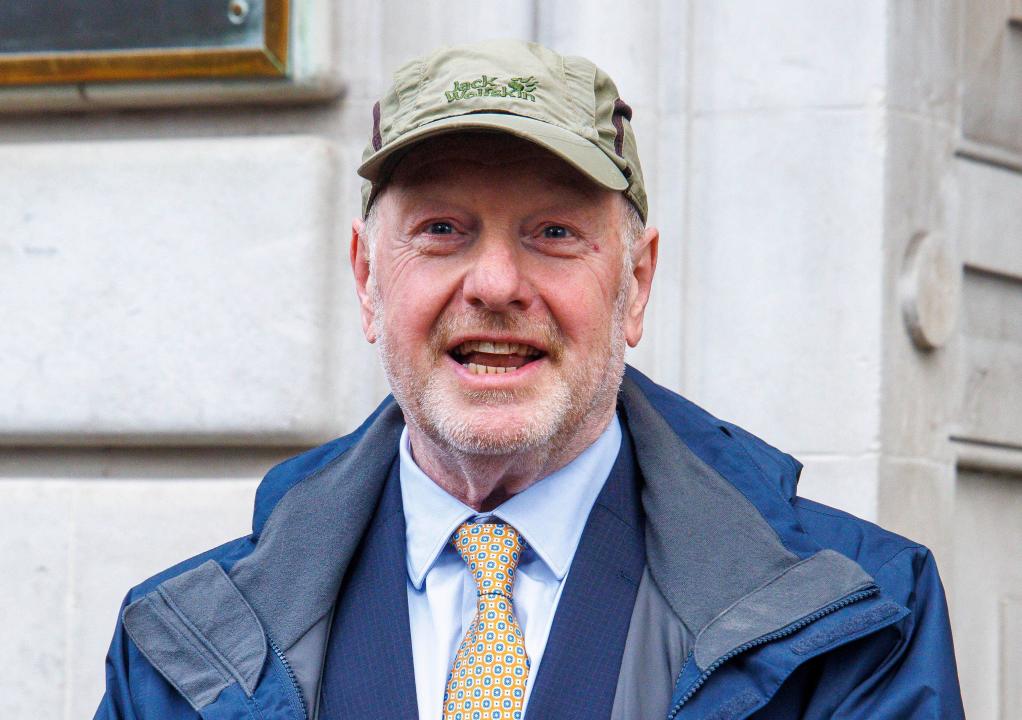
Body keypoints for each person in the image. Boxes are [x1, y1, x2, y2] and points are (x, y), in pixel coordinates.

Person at [95, 39, 965, 720]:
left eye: (553, 232)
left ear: (636, 285)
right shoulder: (183, 652)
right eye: (442, 229)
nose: (497, 284)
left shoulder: (858, 623)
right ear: (367, 278)